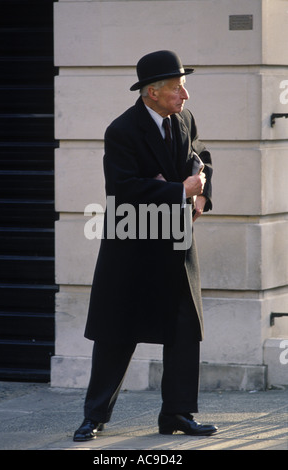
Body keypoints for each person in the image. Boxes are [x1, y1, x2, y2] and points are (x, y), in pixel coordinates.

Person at [73, 50, 217, 441]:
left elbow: (199, 157)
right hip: (132, 244)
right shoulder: (122, 130)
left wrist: (202, 195)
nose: (184, 96)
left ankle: (177, 414)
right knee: (117, 332)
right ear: (151, 92)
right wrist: (177, 190)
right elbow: (121, 189)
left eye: (183, 87)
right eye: (176, 88)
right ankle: (94, 416)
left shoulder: (183, 118)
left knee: (184, 329)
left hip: (176, 241)